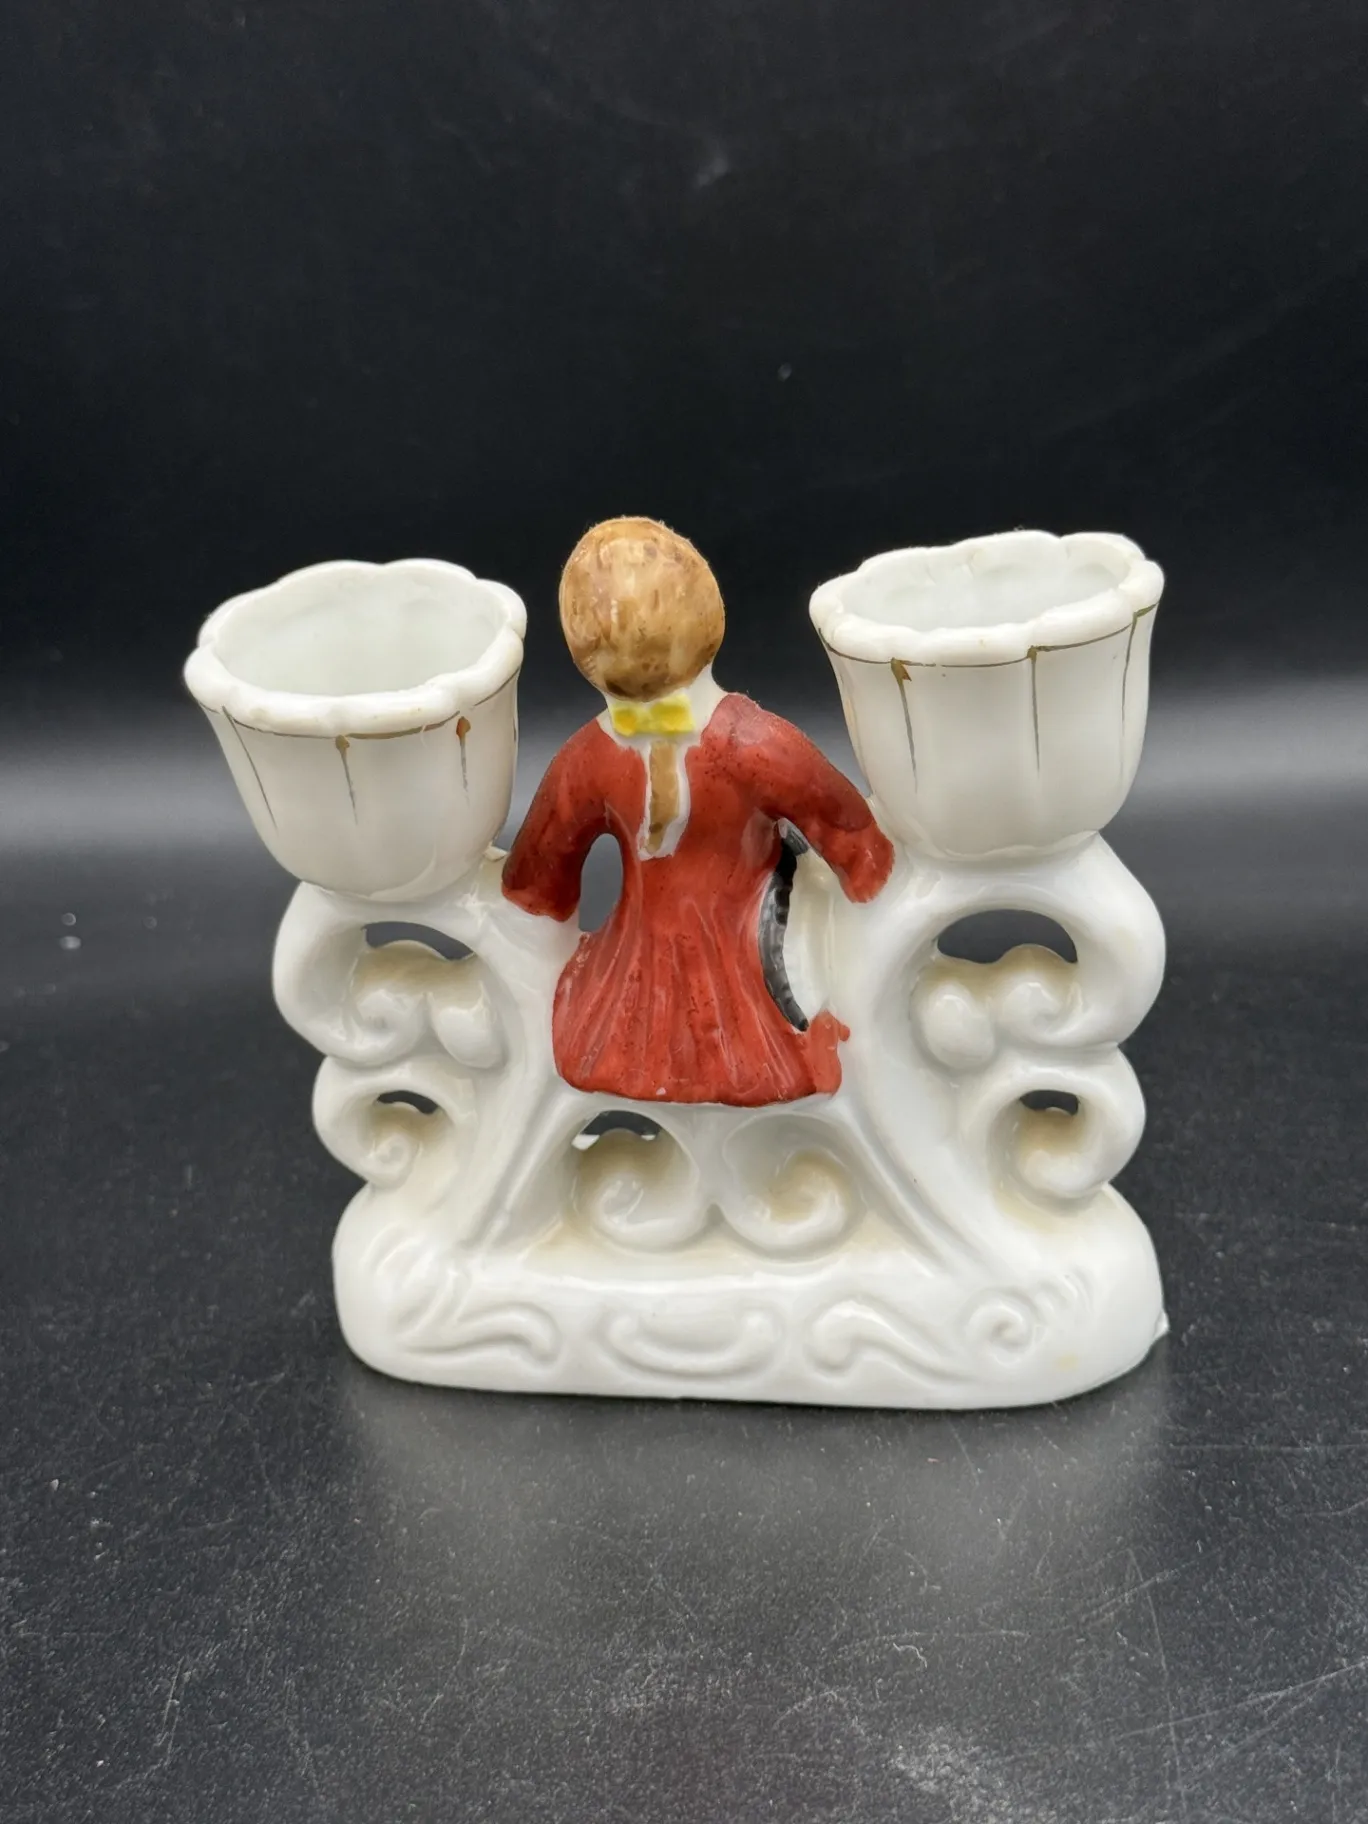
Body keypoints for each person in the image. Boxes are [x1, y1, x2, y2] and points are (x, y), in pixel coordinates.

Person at [502, 516, 894, 1106]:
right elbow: (849, 832)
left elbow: (537, 879)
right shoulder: (752, 743)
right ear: (708, 618)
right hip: (749, 968)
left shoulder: (586, 759)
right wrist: (873, 891)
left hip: (635, 984)